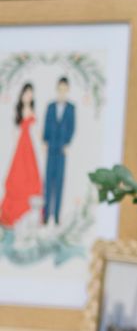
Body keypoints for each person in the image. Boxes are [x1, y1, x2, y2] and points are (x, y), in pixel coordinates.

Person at [0, 82, 42, 228]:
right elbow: (14, 133)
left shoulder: (33, 112)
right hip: (19, 149)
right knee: (17, 179)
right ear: (22, 95)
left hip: (29, 150)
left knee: (30, 180)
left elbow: (37, 133)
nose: (28, 96)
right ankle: (11, 216)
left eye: (30, 93)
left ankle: (28, 217)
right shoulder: (18, 113)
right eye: (26, 93)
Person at [43, 76, 75, 226]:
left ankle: (56, 216)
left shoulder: (71, 108)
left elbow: (71, 127)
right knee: (48, 181)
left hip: (62, 149)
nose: (62, 91)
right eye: (60, 88)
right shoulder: (50, 106)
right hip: (51, 148)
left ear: (67, 90)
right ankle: (45, 214)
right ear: (57, 89)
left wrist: (67, 143)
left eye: (65, 89)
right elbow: (46, 124)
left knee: (59, 182)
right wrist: (45, 140)